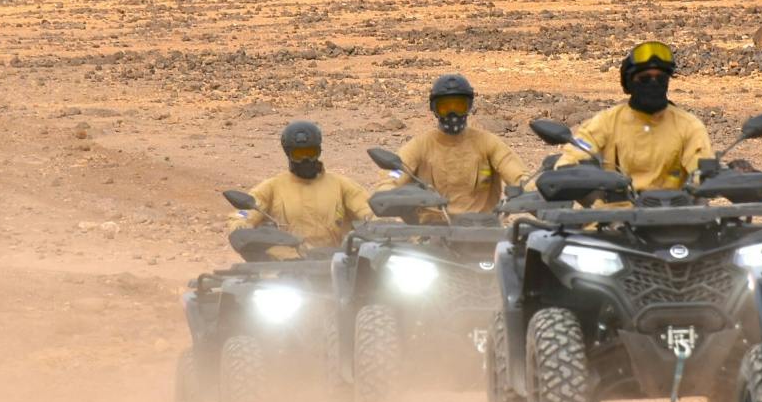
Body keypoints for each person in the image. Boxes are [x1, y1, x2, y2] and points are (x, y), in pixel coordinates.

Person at [557, 41, 713, 191]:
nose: (653, 83)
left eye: (660, 78)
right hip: (616, 207)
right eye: (645, 79)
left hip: (677, 207)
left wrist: (708, 178)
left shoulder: (688, 126)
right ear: (628, 83)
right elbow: (570, 161)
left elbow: (704, 171)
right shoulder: (606, 123)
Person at [396, 74, 529, 215]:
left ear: (469, 107)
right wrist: (386, 189)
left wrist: (529, 190)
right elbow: (396, 171)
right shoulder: (420, 145)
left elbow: (518, 174)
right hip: (431, 225)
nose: (452, 114)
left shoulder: (487, 142)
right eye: (445, 107)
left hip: (483, 225)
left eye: (459, 106)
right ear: (434, 109)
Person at [232, 120, 373, 248]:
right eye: (299, 154)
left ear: (319, 151)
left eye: (310, 152)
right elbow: (244, 214)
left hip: (333, 261)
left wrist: (378, 222)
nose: (306, 159)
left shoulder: (341, 185)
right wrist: (240, 226)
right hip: (283, 263)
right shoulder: (272, 187)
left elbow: (369, 210)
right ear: (288, 154)